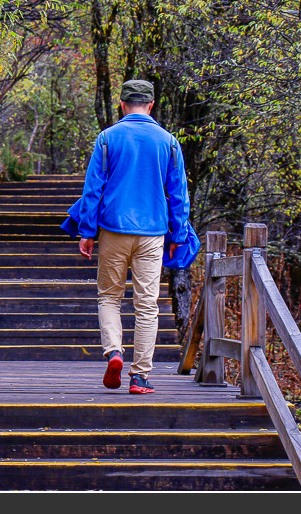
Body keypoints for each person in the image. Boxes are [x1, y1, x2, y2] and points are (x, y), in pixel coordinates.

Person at [72, 79, 191, 394]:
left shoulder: (108, 138)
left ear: (122, 104)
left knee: (110, 296)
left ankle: (114, 352)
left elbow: (93, 188)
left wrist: (86, 232)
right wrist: (178, 234)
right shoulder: (168, 142)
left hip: (113, 229)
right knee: (147, 304)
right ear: (150, 105)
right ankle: (140, 377)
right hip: (152, 233)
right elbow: (178, 194)